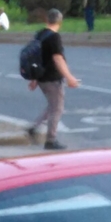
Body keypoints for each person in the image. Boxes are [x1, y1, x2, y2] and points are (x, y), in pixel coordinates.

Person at [24, 8, 78, 149]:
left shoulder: (39, 34)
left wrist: (34, 79)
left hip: (41, 78)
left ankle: (34, 128)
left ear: (47, 20)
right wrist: (69, 77)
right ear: (60, 22)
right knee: (57, 109)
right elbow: (58, 59)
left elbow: (36, 58)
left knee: (52, 106)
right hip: (52, 79)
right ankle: (51, 140)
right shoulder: (55, 37)